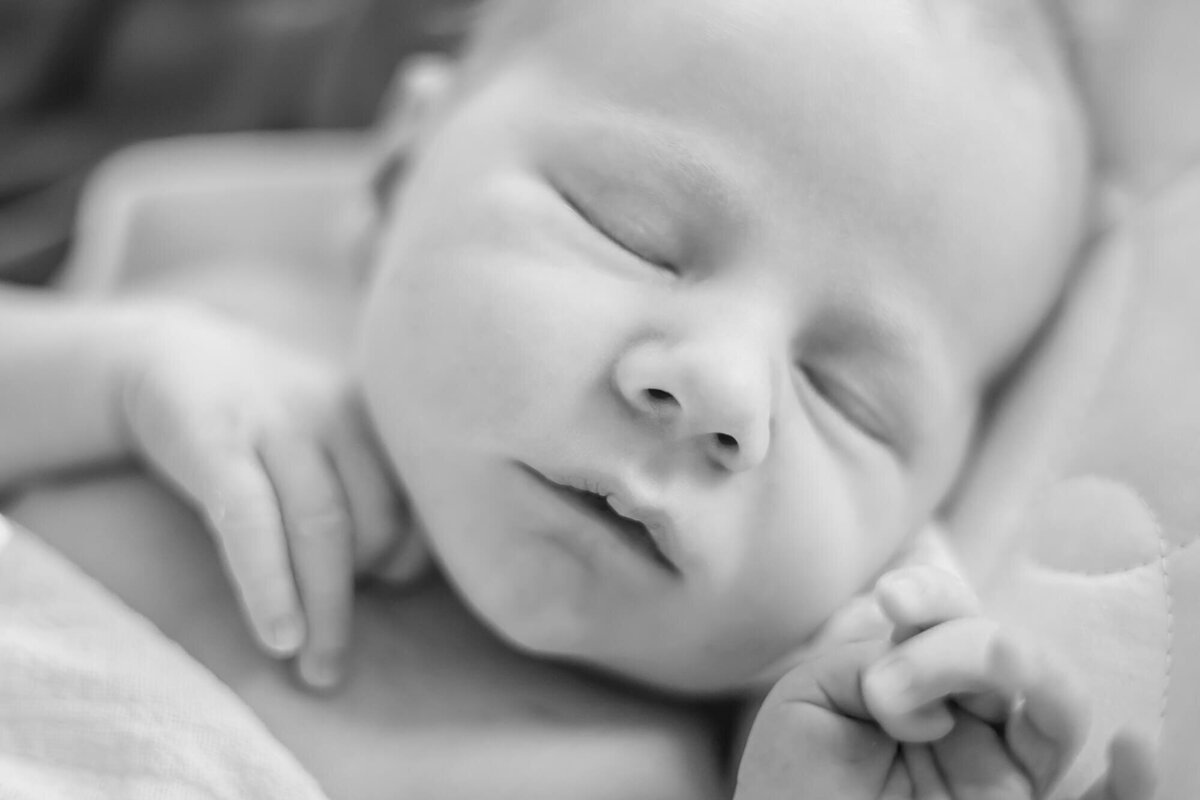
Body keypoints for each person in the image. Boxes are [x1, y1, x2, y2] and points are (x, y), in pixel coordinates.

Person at [0, 0, 1155, 797]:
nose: (721, 387)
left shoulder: (735, 760)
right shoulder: (204, 335)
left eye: (848, 397)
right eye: (631, 232)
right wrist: (109, 372)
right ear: (404, 165)